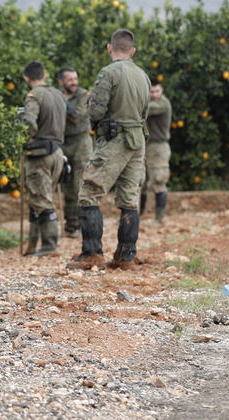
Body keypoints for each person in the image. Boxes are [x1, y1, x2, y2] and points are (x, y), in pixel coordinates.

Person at [68, 29, 151, 271]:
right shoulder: (143, 75)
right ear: (132, 51)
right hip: (138, 141)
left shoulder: (109, 72)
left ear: (109, 48)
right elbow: (145, 111)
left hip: (115, 140)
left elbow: (95, 111)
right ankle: (126, 255)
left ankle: (92, 254)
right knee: (129, 199)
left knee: (90, 192)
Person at [21, 61, 66, 257]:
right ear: (44, 75)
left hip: (40, 155)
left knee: (42, 200)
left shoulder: (34, 96)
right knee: (38, 198)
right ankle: (32, 245)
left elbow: (30, 121)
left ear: (26, 78)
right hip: (57, 152)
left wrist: (22, 138)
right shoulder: (58, 94)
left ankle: (49, 246)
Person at [57, 67, 94, 238]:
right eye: (69, 79)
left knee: (80, 184)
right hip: (64, 142)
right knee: (67, 184)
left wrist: (60, 101)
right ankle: (70, 225)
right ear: (61, 82)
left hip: (81, 143)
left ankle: (82, 225)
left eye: (75, 78)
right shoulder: (58, 95)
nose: (73, 82)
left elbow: (76, 115)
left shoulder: (84, 95)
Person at [140, 79, 172, 225]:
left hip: (159, 148)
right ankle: (137, 216)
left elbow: (148, 109)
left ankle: (159, 218)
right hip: (145, 146)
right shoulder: (147, 102)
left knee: (158, 181)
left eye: (156, 91)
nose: (154, 94)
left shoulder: (163, 104)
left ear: (162, 91)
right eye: (151, 92)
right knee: (142, 183)